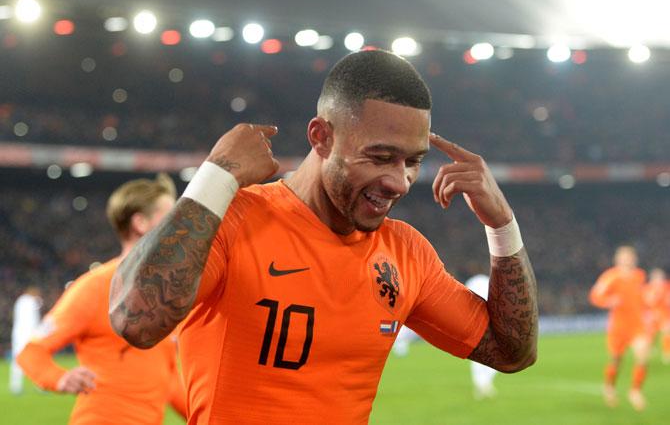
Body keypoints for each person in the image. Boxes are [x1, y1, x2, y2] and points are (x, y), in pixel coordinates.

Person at [110, 49, 538, 424]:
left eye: (412, 161)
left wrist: (501, 225)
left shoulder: (406, 253)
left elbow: (511, 352)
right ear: (321, 137)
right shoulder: (237, 218)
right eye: (381, 157)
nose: (400, 182)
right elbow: (136, 319)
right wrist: (216, 176)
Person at [18, 174, 187, 425]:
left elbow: (167, 378)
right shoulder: (95, 287)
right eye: (168, 216)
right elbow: (31, 352)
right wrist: (59, 378)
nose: (178, 225)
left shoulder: (169, 292)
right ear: (140, 223)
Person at [589, 245, 650, 411]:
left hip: (637, 326)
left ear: (634, 258)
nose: (627, 259)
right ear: (618, 259)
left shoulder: (640, 275)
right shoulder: (611, 277)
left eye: (630, 256)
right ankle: (609, 387)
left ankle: (635, 391)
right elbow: (595, 295)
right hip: (618, 328)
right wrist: (608, 301)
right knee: (616, 360)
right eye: (624, 257)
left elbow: (641, 298)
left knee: (643, 355)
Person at [465, 274, 498, 399]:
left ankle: (483, 384)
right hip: (479, 324)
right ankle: (482, 384)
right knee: (482, 355)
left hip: (482, 322)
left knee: (491, 355)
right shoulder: (482, 282)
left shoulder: (480, 282)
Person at [9, 286, 42, 394]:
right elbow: (34, 321)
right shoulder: (32, 301)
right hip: (29, 335)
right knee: (36, 360)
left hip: (18, 334)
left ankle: (15, 387)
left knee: (17, 360)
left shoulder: (20, 301)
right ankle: (40, 385)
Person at [644, 267, 670, 363]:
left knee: (667, 331)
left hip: (664, 314)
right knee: (650, 333)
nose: (658, 279)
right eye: (656, 277)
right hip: (652, 314)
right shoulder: (648, 288)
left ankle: (667, 353)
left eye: (660, 277)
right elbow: (646, 302)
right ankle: (649, 348)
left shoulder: (667, 286)